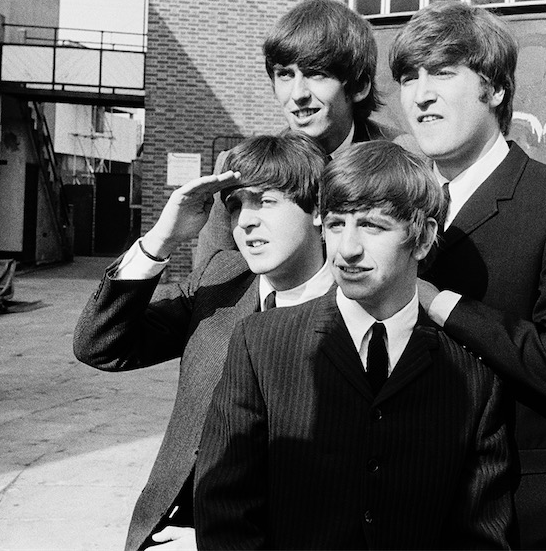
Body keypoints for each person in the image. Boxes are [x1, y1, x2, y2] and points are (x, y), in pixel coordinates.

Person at [195, 141, 512, 550]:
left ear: (422, 238)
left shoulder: (474, 376)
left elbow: (482, 535)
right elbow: (224, 509)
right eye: (335, 224)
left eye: (372, 226)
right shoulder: (261, 344)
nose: (347, 249)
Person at [389, 0, 546, 549]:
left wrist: (437, 301)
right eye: (407, 77)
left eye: (442, 73)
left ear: (493, 88)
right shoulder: (395, 207)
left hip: (530, 517)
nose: (420, 95)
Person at [73, 132, 334, 551]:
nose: (245, 221)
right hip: (168, 529)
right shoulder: (221, 278)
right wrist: (163, 239)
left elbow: (347, 490)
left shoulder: (356, 312)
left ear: (319, 209)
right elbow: (100, 345)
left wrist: (215, 541)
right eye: (234, 206)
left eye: (265, 201)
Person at [192, 0, 414, 269]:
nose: (298, 95)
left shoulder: (410, 158)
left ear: (359, 86)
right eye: (285, 74)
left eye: (317, 74)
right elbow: (212, 280)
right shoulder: (236, 169)